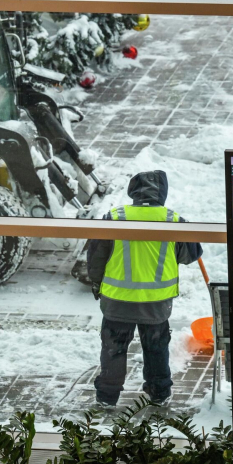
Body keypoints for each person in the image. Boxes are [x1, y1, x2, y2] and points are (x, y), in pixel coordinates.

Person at [87, 170, 203, 407]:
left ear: (134, 191)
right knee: (156, 349)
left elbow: (96, 256)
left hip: (117, 300)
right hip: (156, 302)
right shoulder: (174, 220)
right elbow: (190, 255)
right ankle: (159, 393)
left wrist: (97, 283)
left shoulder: (115, 217)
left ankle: (107, 396)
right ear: (163, 192)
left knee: (113, 349)